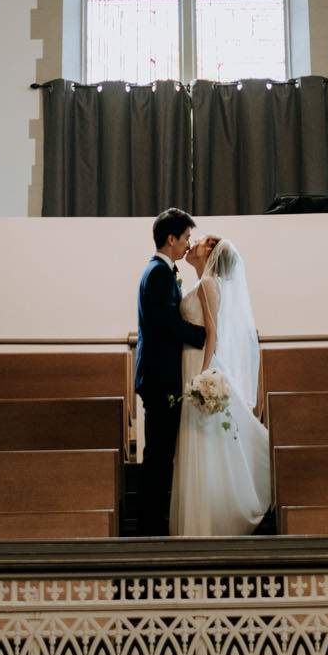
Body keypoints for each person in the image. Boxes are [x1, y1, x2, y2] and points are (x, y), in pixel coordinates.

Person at [169, 233, 273, 536]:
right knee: (200, 442)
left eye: (197, 242)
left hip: (198, 364)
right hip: (192, 362)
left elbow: (212, 334)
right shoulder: (202, 284)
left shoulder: (208, 284)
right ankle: (199, 519)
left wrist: (202, 376)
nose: (191, 245)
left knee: (204, 441)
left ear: (209, 252)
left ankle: (208, 522)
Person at [134, 205, 206, 535]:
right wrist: (204, 335)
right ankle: (149, 527)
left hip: (163, 377)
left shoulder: (164, 271)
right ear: (171, 238)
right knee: (158, 456)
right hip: (160, 378)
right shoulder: (158, 274)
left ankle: (154, 521)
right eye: (186, 237)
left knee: (162, 455)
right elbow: (167, 325)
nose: (188, 244)